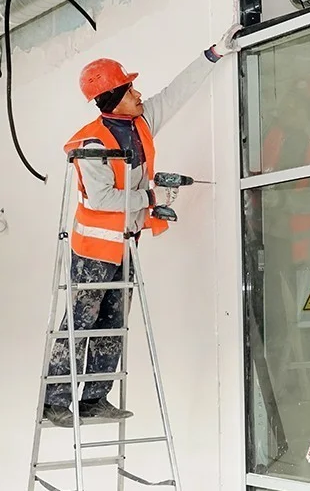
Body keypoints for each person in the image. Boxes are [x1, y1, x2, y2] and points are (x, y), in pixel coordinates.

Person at [42, 24, 240, 428]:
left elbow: (176, 93)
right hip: (94, 250)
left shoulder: (140, 124)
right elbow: (103, 200)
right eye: (130, 89)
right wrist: (151, 197)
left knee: (113, 322)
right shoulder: (92, 144)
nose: (138, 93)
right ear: (114, 98)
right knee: (81, 323)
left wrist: (214, 53)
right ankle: (54, 402)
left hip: (127, 245)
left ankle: (94, 398)